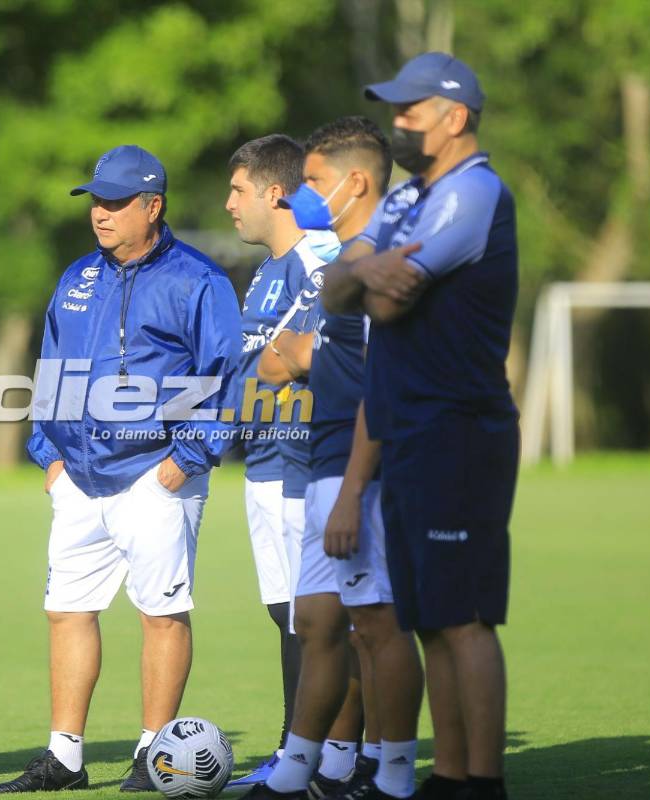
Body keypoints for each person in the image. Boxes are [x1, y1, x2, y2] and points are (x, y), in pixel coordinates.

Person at [0, 145, 241, 794]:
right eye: (94, 201)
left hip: (156, 474)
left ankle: (154, 755)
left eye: (113, 201)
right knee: (68, 610)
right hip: (78, 476)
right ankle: (65, 757)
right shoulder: (76, 277)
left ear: (152, 207)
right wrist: (48, 456)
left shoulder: (199, 280)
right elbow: (51, 371)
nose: (98, 213)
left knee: (161, 613)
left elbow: (224, 377)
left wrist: (184, 461)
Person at [320, 53, 520, 800]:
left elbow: (389, 299)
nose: (398, 123)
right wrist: (364, 272)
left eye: (411, 111)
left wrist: (365, 276)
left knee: (464, 619)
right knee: (432, 618)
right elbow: (340, 288)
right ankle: (449, 777)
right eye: (395, 111)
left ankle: (483, 783)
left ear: (455, 117)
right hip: (409, 430)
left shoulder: (473, 193)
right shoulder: (408, 201)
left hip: (459, 430)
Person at [244, 116, 397, 800]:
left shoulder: (350, 258)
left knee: (366, 624)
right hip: (290, 463)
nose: (303, 196)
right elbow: (268, 362)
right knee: (309, 620)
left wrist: (295, 357)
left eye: (313, 181)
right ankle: (311, 764)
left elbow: (328, 362)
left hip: (328, 464)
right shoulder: (299, 266)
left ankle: (372, 769)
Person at [221, 133, 309, 789]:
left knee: (325, 622)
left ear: (274, 192)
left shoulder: (317, 263)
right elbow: (255, 369)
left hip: (309, 471)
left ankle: (339, 756)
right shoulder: (266, 272)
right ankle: (293, 750)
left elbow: (302, 364)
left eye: (238, 190)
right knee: (287, 616)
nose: (229, 204)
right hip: (264, 467)